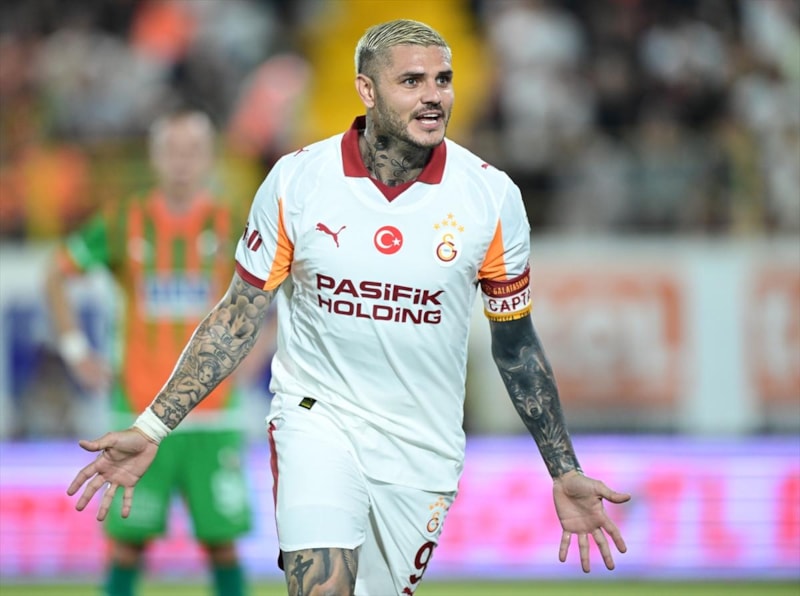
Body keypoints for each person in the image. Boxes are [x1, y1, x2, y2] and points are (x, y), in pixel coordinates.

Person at [67, 20, 631, 596]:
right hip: (317, 418)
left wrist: (563, 468)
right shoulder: (298, 181)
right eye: (411, 81)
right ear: (367, 90)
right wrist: (153, 425)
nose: (433, 95)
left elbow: (516, 346)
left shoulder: (491, 197)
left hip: (423, 443)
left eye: (443, 80)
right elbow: (237, 319)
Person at [48, 109, 252, 596]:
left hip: (213, 413)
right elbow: (56, 273)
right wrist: (76, 350)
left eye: (192, 150)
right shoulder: (124, 220)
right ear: (154, 157)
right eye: (172, 150)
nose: (182, 161)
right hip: (137, 413)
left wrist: (255, 352)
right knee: (127, 544)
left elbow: (280, 291)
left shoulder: (233, 223)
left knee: (221, 542)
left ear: (209, 157)